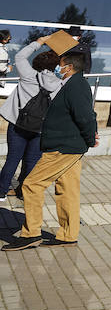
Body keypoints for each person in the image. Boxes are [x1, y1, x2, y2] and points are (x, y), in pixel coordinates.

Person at [4, 48, 99, 250]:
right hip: (68, 146)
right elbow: (85, 114)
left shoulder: (76, 86)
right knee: (67, 190)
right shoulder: (71, 84)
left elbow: (86, 116)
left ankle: (31, 234)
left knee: (31, 185)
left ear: (69, 67)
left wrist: (91, 139)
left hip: (64, 148)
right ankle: (68, 235)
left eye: (60, 65)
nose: (57, 67)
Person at [0, 37, 64, 200]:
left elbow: (20, 56)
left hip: (18, 125)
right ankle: (23, 193)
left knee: (12, 159)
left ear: (37, 63)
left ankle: (1, 192)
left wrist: (39, 41)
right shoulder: (60, 85)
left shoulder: (28, 75)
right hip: (40, 129)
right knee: (32, 162)